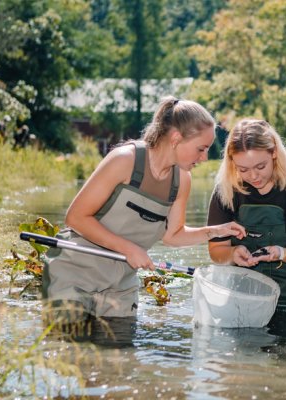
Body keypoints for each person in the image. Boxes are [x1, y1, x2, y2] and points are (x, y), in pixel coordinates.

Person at [42, 97, 246, 325]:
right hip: (74, 272)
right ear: (176, 138)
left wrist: (217, 231)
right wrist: (128, 248)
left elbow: (173, 236)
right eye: (201, 148)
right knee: (67, 348)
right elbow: (76, 217)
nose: (205, 157)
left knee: (122, 357)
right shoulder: (124, 160)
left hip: (121, 286)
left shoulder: (182, 180)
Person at [207, 118, 286, 310]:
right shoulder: (226, 193)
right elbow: (216, 252)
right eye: (243, 170)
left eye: (260, 167)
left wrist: (281, 253)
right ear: (232, 162)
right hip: (245, 300)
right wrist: (232, 253)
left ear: (274, 152)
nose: (253, 176)